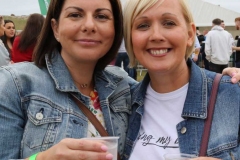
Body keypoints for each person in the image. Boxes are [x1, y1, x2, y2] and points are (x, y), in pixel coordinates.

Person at [0, 0, 136, 159]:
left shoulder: (124, 86)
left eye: (101, 16)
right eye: (75, 15)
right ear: (55, 28)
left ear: (115, 28)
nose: (89, 25)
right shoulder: (15, 85)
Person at [122, 0, 240, 160]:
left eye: (169, 23)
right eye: (143, 25)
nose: (156, 36)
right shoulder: (121, 103)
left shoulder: (231, 94)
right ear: (130, 38)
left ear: (190, 34)